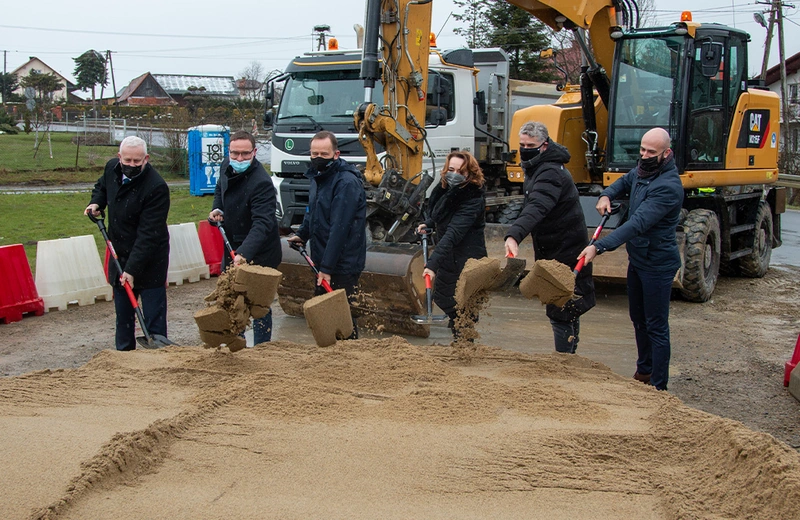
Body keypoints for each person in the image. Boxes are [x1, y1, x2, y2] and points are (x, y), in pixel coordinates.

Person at [577, 127, 683, 391]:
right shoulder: (643, 170)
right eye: (642, 150)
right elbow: (625, 182)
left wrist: (598, 247)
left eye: (651, 152)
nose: (645, 155)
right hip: (638, 259)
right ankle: (644, 371)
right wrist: (606, 195)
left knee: (656, 325)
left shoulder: (668, 187)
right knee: (638, 318)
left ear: (666, 153)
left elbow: (637, 223)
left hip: (658, 264)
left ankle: (659, 387)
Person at [504, 121, 596, 354]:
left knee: (562, 306)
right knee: (564, 305)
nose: (525, 149)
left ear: (544, 146)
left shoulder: (550, 172)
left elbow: (537, 206)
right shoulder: (537, 167)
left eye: (530, 145)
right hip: (554, 246)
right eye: (522, 144)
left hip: (565, 249)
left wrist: (515, 235)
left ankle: (565, 358)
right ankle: (568, 352)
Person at [85, 136, 170, 351]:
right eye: (128, 160)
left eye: (137, 162)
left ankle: (160, 358)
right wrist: (96, 202)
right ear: (119, 157)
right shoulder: (112, 168)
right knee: (123, 315)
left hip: (150, 259)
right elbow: (102, 187)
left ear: (146, 159)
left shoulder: (156, 187)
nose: (131, 165)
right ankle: (124, 356)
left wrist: (132, 270)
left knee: (153, 316)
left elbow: (149, 234)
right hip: (119, 253)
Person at [287, 130, 366, 338]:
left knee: (341, 312)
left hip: (344, 262)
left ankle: (351, 355)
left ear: (336, 154)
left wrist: (327, 269)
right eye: (314, 154)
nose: (318, 159)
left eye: (324, 154)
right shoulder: (318, 177)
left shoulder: (346, 183)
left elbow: (340, 228)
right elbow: (312, 211)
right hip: (322, 258)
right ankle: (331, 355)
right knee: (325, 310)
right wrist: (302, 234)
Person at [209, 130, 281, 344]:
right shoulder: (226, 166)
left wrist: (244, 254)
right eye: (235, 154)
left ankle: (261, 348)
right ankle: (236, 343)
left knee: (258, 305)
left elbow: (263, 224)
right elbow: (219, 188)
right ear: (228, 152)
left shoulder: (261, 183)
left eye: (245, 154)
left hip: (260, 250)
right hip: (232, 243)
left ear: (255, 152)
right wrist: (217, 208)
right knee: (232, 299)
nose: (239, 159)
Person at [416, 151, 487, 339]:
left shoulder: (472, 198)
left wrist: (432, 264)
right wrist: (429, 223)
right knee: (446, 297)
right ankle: (460, 335)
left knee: (464, 304)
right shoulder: (446, 191)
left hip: (467, 258)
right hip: (451, 257)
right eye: (451, 169)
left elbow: (453, 233)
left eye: (460, 171)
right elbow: (443, 215)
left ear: (469, 174)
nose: (454, 174)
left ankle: (465, 345)